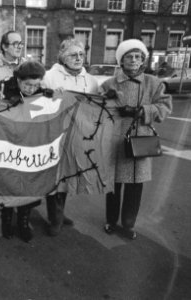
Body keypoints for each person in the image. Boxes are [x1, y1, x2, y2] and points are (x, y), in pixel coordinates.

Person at [101, 39, 172, 239]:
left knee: (135, 186)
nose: (133, 60)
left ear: (142, 60)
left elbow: (164, 109)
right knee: (113, 186)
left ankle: (128, 224)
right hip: (114, 141)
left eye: (138, 56)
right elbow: (97, 111)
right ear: (121, 60)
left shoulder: (153, 83)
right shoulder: (109, 84)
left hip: (141, 142)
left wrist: (141, 111)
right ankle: (111, 221)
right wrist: (109, 103)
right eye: (129, 57)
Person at [42, 39, 99, 236]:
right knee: (55, 177)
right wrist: (52, 99)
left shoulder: (90, 80)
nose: (78, 58)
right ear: (63, 57)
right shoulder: (49, 76)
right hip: (55, 134)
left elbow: (97, 107)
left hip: (78, 135)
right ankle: (54, 217)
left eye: (81, 54)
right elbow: (39, 102)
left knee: (67, 176)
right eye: (73, 55)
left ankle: (60, 212)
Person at [0, 60, 47, 242]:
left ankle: (23, 220)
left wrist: (51, 96)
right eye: (27, 84)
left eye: (36, 85)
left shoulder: (41, 89)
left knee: (28, 184)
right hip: (7, 143)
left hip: (30, 143)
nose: (31, 89)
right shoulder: (3, 86)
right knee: (8, 183)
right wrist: (2, 102)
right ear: (18, 79)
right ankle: (6, 219)